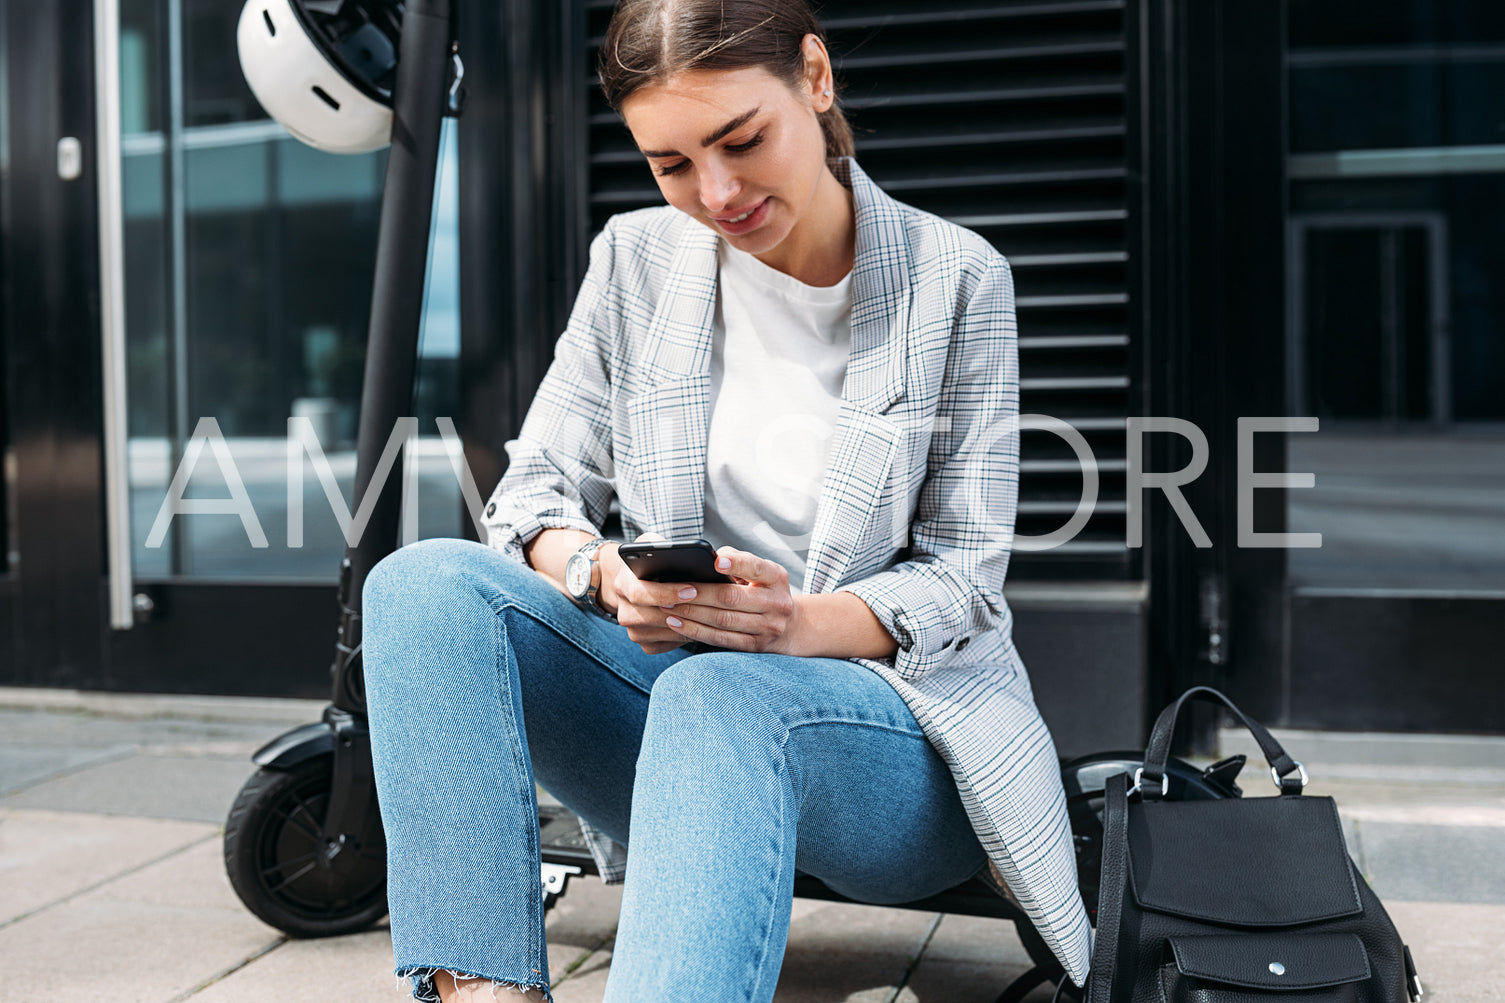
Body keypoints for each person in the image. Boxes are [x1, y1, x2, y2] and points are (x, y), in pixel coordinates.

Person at [361, 0, 1092, 999]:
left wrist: (788, 625)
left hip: (889, 752)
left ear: (815, 77)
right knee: (422, 588)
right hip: (678, 725)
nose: (714, 191)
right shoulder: (636, 260)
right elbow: (534, 486)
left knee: (720, 687)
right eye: (670, 164)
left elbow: (962, 586)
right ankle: (481, 990)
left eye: (741, 139)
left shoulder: (952, 279)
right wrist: (602, 570)